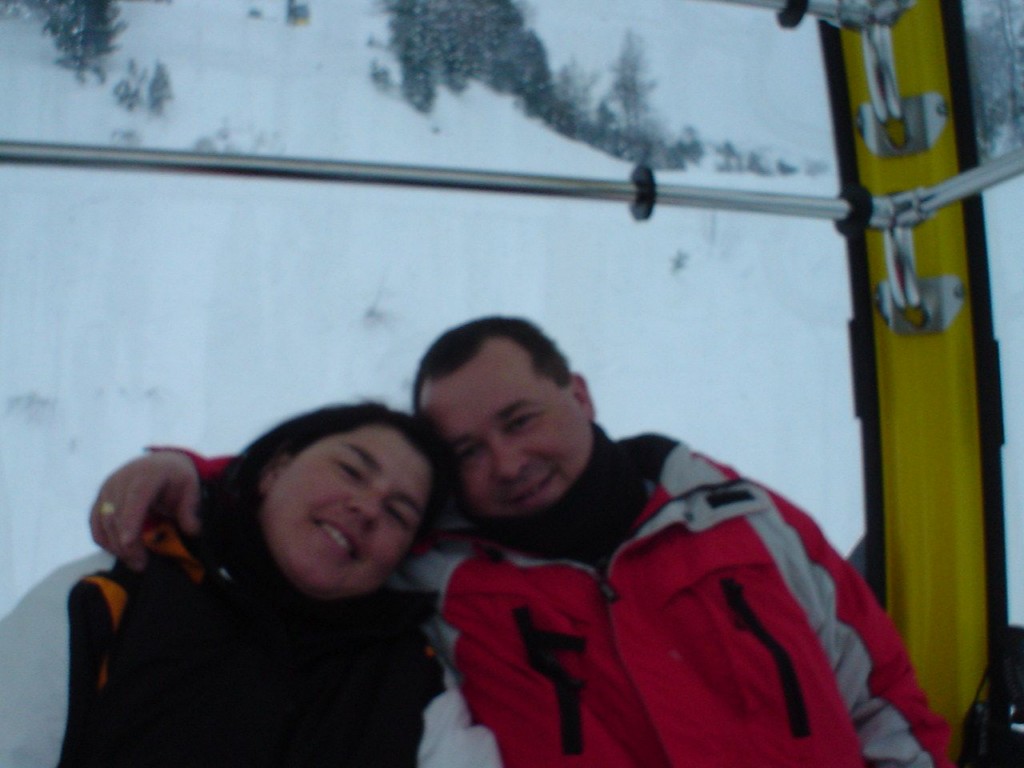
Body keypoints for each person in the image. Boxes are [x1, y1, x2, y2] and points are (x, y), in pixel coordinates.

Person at [33, 317, 955, 766]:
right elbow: (319, 513)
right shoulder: (435, 560)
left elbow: (886, 707)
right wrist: (194, 473)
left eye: (520, 420)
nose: (507, 464)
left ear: (579, 395)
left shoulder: (747, 523)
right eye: (468, 451)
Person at [1, 404, 499, 768]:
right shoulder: (115, 594)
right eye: (350, 470)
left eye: (397, 513)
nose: (367, 508)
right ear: (274, 471)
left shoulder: (411, 682)